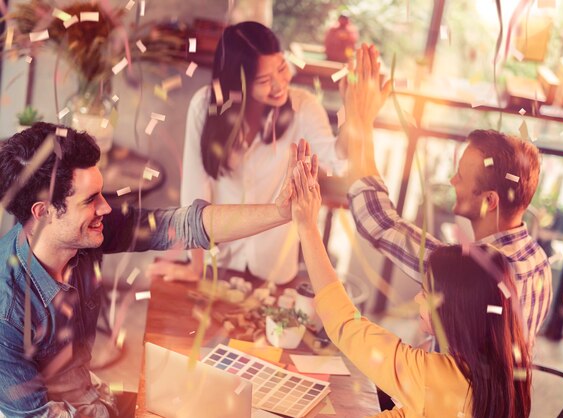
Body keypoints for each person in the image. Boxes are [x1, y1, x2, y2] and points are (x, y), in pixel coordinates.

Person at [0, 122, 311, 417]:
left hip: (93, 398)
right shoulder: (6, 313)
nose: (106, 208)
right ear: (43, 213)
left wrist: (279, 212)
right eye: (91, 200)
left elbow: (180, 225)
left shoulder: (78, 237)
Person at [344, 44, 551, 347]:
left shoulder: (470, 275)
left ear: (490, 201)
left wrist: (360, 121)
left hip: (452, 395)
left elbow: (378, 222)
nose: (452, 180)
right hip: (504, 396)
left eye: (462, 177)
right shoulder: (538, 261)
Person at [290, 158, 532, 417]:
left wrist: (307, 227)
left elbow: (346, 325)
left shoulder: (431, 376)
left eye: (427, 293)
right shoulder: (509, 375)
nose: (418, 298)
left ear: (455, 311)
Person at [148, 21, 348, 284]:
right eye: (264, 80)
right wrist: (195, 268)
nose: (279, 85)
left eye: (281, 68)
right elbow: (194, 194)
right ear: (237, 83)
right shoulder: (203, 107)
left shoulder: (304, 107)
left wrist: (355, 116)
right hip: (217, 261)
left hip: (274, 270)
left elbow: (339, 160)